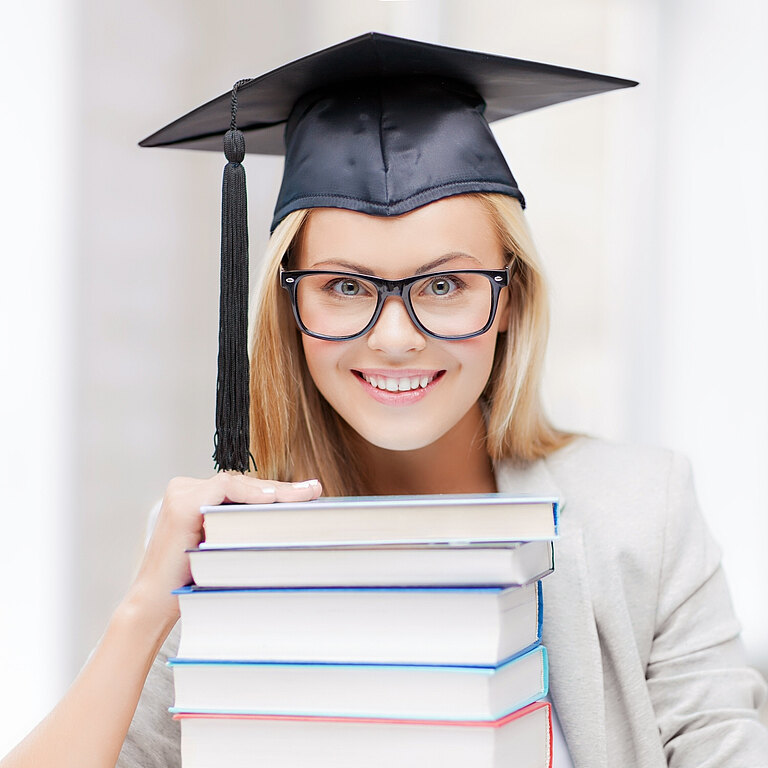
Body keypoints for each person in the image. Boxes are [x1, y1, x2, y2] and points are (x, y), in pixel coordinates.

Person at [2, 33, 767, 768]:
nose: (396, 338)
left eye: (444, 284)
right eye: (344, 286)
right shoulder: (228, 546)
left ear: (511, 300)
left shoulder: (643, 515)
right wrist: (143, 612)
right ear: (284, 308)